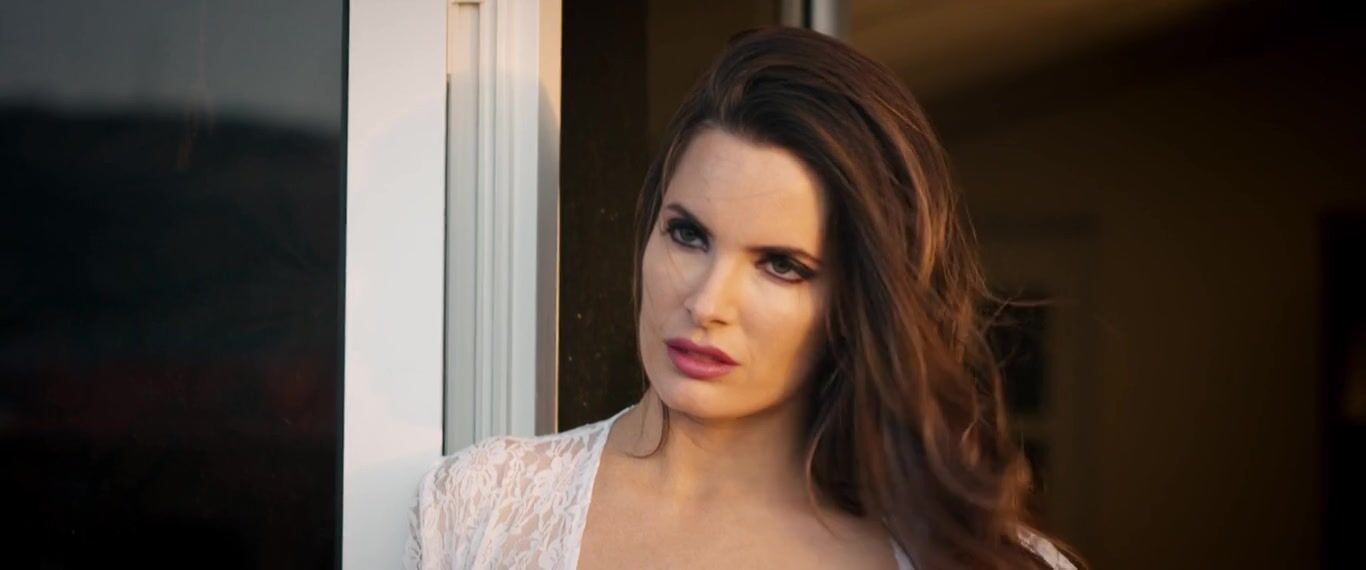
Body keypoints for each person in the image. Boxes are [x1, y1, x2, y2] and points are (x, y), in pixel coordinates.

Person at [406, 26, 1081, 569]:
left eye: (781, 265)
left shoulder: (975, 561)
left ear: (854, 304)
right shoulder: (481, 510)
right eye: (688, 234)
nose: (707, 303)